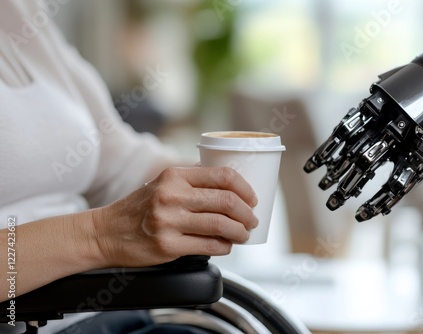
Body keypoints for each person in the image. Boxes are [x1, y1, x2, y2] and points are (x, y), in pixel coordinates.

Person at [0, 1, 258, 333]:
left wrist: (219, 181)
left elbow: (116, 162)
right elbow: (105, 226)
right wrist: (99, 236)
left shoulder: (19, 11)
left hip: (101, 316)